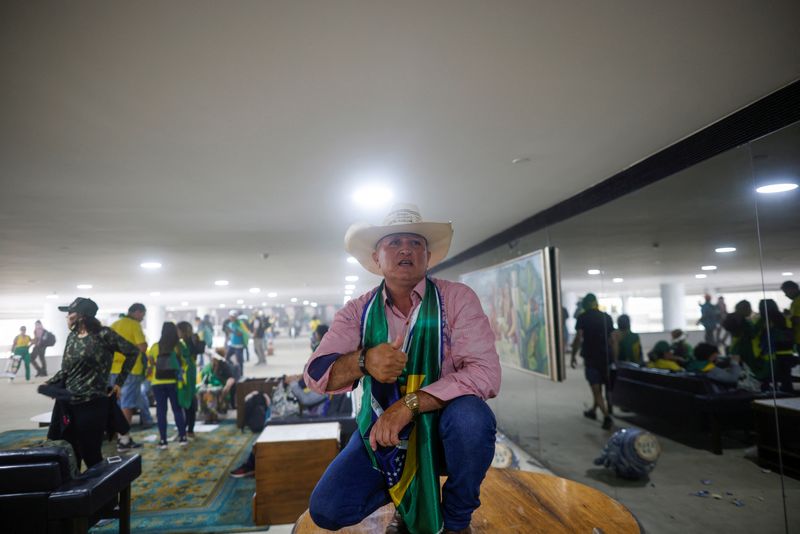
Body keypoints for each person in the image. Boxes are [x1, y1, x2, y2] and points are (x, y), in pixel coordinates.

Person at [303, 203, 500, 534]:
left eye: (416, 243)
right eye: (394, 243)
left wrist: (409, 404)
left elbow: (486, 374)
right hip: (384, 436)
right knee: (328, 510)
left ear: (427, 257)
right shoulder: (357, 312)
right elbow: (316, 374)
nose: (406, 249)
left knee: (472, 419)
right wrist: (363, 361)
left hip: (445, 431)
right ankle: (405, 498)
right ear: (377, 259)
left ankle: (456, 519)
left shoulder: (457, 299)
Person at [44, 298, 140, 468]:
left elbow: (132, 352)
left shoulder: (104, 335)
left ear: (82, 316)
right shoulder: (72, 337)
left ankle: (102, 493)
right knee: (71, 454)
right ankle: (75, 492)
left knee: (91, 454)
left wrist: (119, 382)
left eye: (70, 313)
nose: (67, 317)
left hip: (93, 403)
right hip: (68, 403)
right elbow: (66, 369)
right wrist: (51, 384)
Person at [110, 303, 153, 446]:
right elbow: (142, 346)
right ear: (137, 312)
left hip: (114, 370)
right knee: (127, 405)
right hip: (131, 369)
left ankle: (120, 437)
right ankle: (124, 439)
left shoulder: (115, 324)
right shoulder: (134, 325)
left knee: (117, 404)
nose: (142, 318)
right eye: (143, 315)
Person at [571, 293, 614, 430]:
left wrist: (573, 355)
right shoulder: (606, 317)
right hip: (606, 358)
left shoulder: (582, 318)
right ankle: (593, 411)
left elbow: (578, 338)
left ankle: (606, 416)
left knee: (596, 389)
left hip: (591, 357)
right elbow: (612, 339)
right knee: (602, 387)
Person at [146, 322, 188, 449]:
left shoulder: (155, 347)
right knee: (177, 410)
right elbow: (185, 365)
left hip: (157, 383)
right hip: (174, 382)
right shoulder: (179, 346)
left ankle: (163, 440)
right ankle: (182, 437)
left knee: (161, 412)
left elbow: (150, 365)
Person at [754, 299, 795, 393]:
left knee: (768, 375)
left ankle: (769, 393)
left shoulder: (764, 320)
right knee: (786, 376)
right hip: (786, 350)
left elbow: (756, 334)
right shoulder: (783, 317)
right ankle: (788, 395)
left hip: (771, 352)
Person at [177, 321, 203, 438]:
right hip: (190, 371)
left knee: (185, 398)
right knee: (190, 398)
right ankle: (189, 428)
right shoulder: (194, 338)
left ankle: (187, 427)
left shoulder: (182, 343)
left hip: (185, 372)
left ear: (182, 331)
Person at [199, 351, 237, 422]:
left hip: (221, 385)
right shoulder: (209, 367)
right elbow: (205, 378)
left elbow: (231, 378)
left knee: (212, 393)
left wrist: (227, 386)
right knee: (204, 392)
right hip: (210, 386)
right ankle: (208, 414)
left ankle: (213, 414)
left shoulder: (224, 366)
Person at [226, 312, 251, 378]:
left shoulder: (240, 324)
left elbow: (241, 333)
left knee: (240, 361)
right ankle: (232, 370)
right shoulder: (230, 324)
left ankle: (241, 374)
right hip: (232, 344)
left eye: (232, 317)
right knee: (226, 358)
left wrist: (234, 331)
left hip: (239, 345)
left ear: (235, 317)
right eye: (230, 317)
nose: (230, 318)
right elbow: (229, 332)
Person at [781, 280, 800, 349]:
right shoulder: (795, 301)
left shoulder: (798, 301)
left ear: (793, 289)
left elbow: (797, 320)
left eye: (786, 292)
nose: (786, 295)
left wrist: (788, 315)